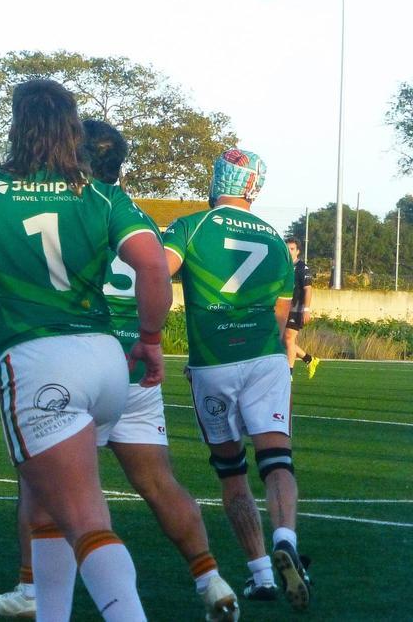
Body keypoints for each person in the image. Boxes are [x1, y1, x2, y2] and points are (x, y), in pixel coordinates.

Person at [0, 80, 172, 622]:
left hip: (39, 360)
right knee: (47, 506)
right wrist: (151, 341)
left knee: (84, 517)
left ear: (16, 124)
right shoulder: (101, 192)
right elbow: (154, 265)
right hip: (106, 359)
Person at [163, 149, 311, 610]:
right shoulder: (273, 237)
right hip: (264, 358)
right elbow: (280, 314)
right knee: (277, 460)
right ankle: (284, 537)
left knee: (231, 471)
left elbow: (155, 272)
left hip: (212, 363)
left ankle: (261, 574)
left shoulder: (191, 227)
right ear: (254, 187)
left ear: (217, 180)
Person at [283, 238, 319, 378]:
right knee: (283, 340)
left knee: (288, 339)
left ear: (298, 251)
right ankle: (309, 359)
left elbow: (308, 289)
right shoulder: (283, 266)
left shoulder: (302, 267)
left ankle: (289, 373)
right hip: (283, 307)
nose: (289, 251)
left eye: (292, 249)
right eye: (287, 248)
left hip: (296, 308)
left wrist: (306, 309)